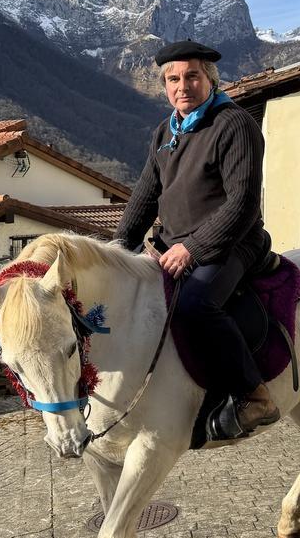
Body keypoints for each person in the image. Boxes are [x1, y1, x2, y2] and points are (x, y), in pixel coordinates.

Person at [115, 40, 279, 437]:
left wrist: (192, 249)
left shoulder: (234, 124)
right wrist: (115, 251)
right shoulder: (165, 131)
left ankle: (255, 395)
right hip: (176, 244)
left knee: (193, 306)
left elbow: (241, 205)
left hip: (232, 242)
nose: (182, 85)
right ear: (165, 86)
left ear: (210, 79)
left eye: (192, 76)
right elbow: (144, 197)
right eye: (173, 78)